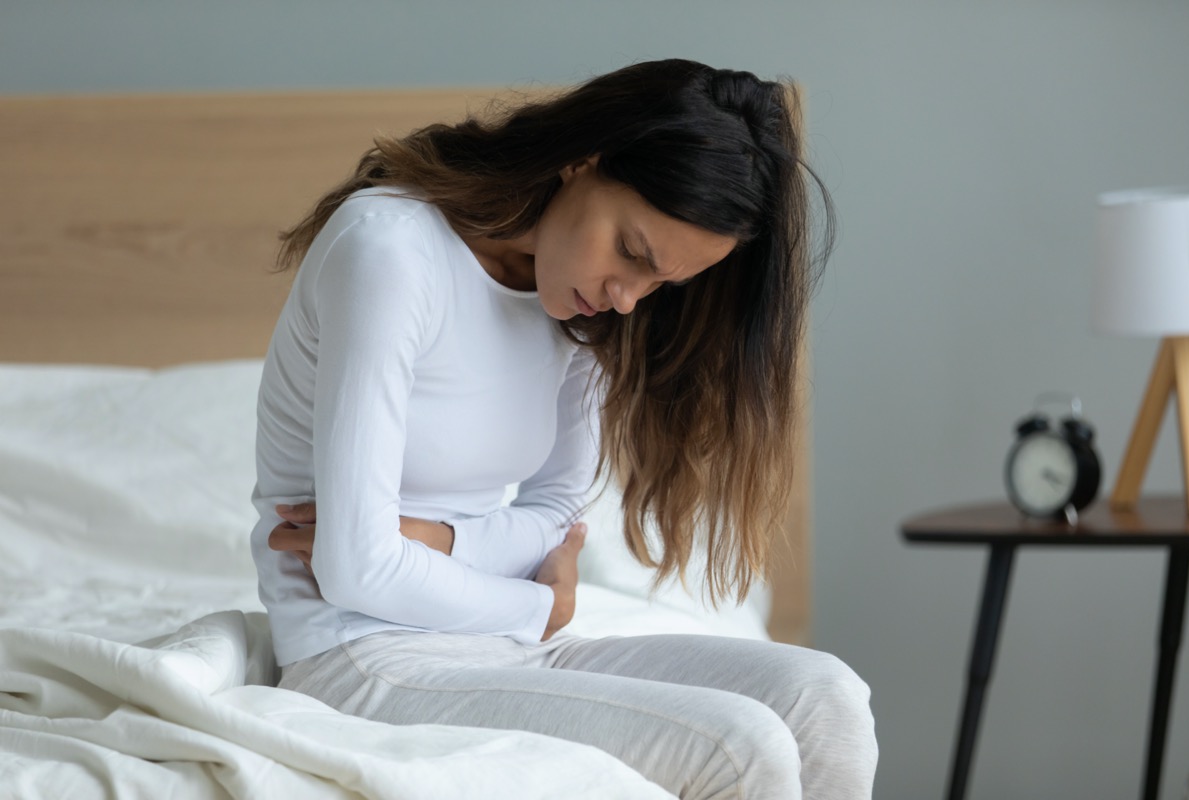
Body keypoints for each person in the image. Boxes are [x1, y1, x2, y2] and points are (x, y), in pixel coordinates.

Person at [253, 58, 877, 799]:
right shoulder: (391, 250)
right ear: (583, 160)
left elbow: (553, 519)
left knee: (828, 697)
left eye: (660, 284)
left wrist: (439, 539)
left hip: (504, 647)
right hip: (362, 659)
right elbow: (358, 571)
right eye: (633, 252)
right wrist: (540, 603)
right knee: (740, 751)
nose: (625, 297)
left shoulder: (580, 310)